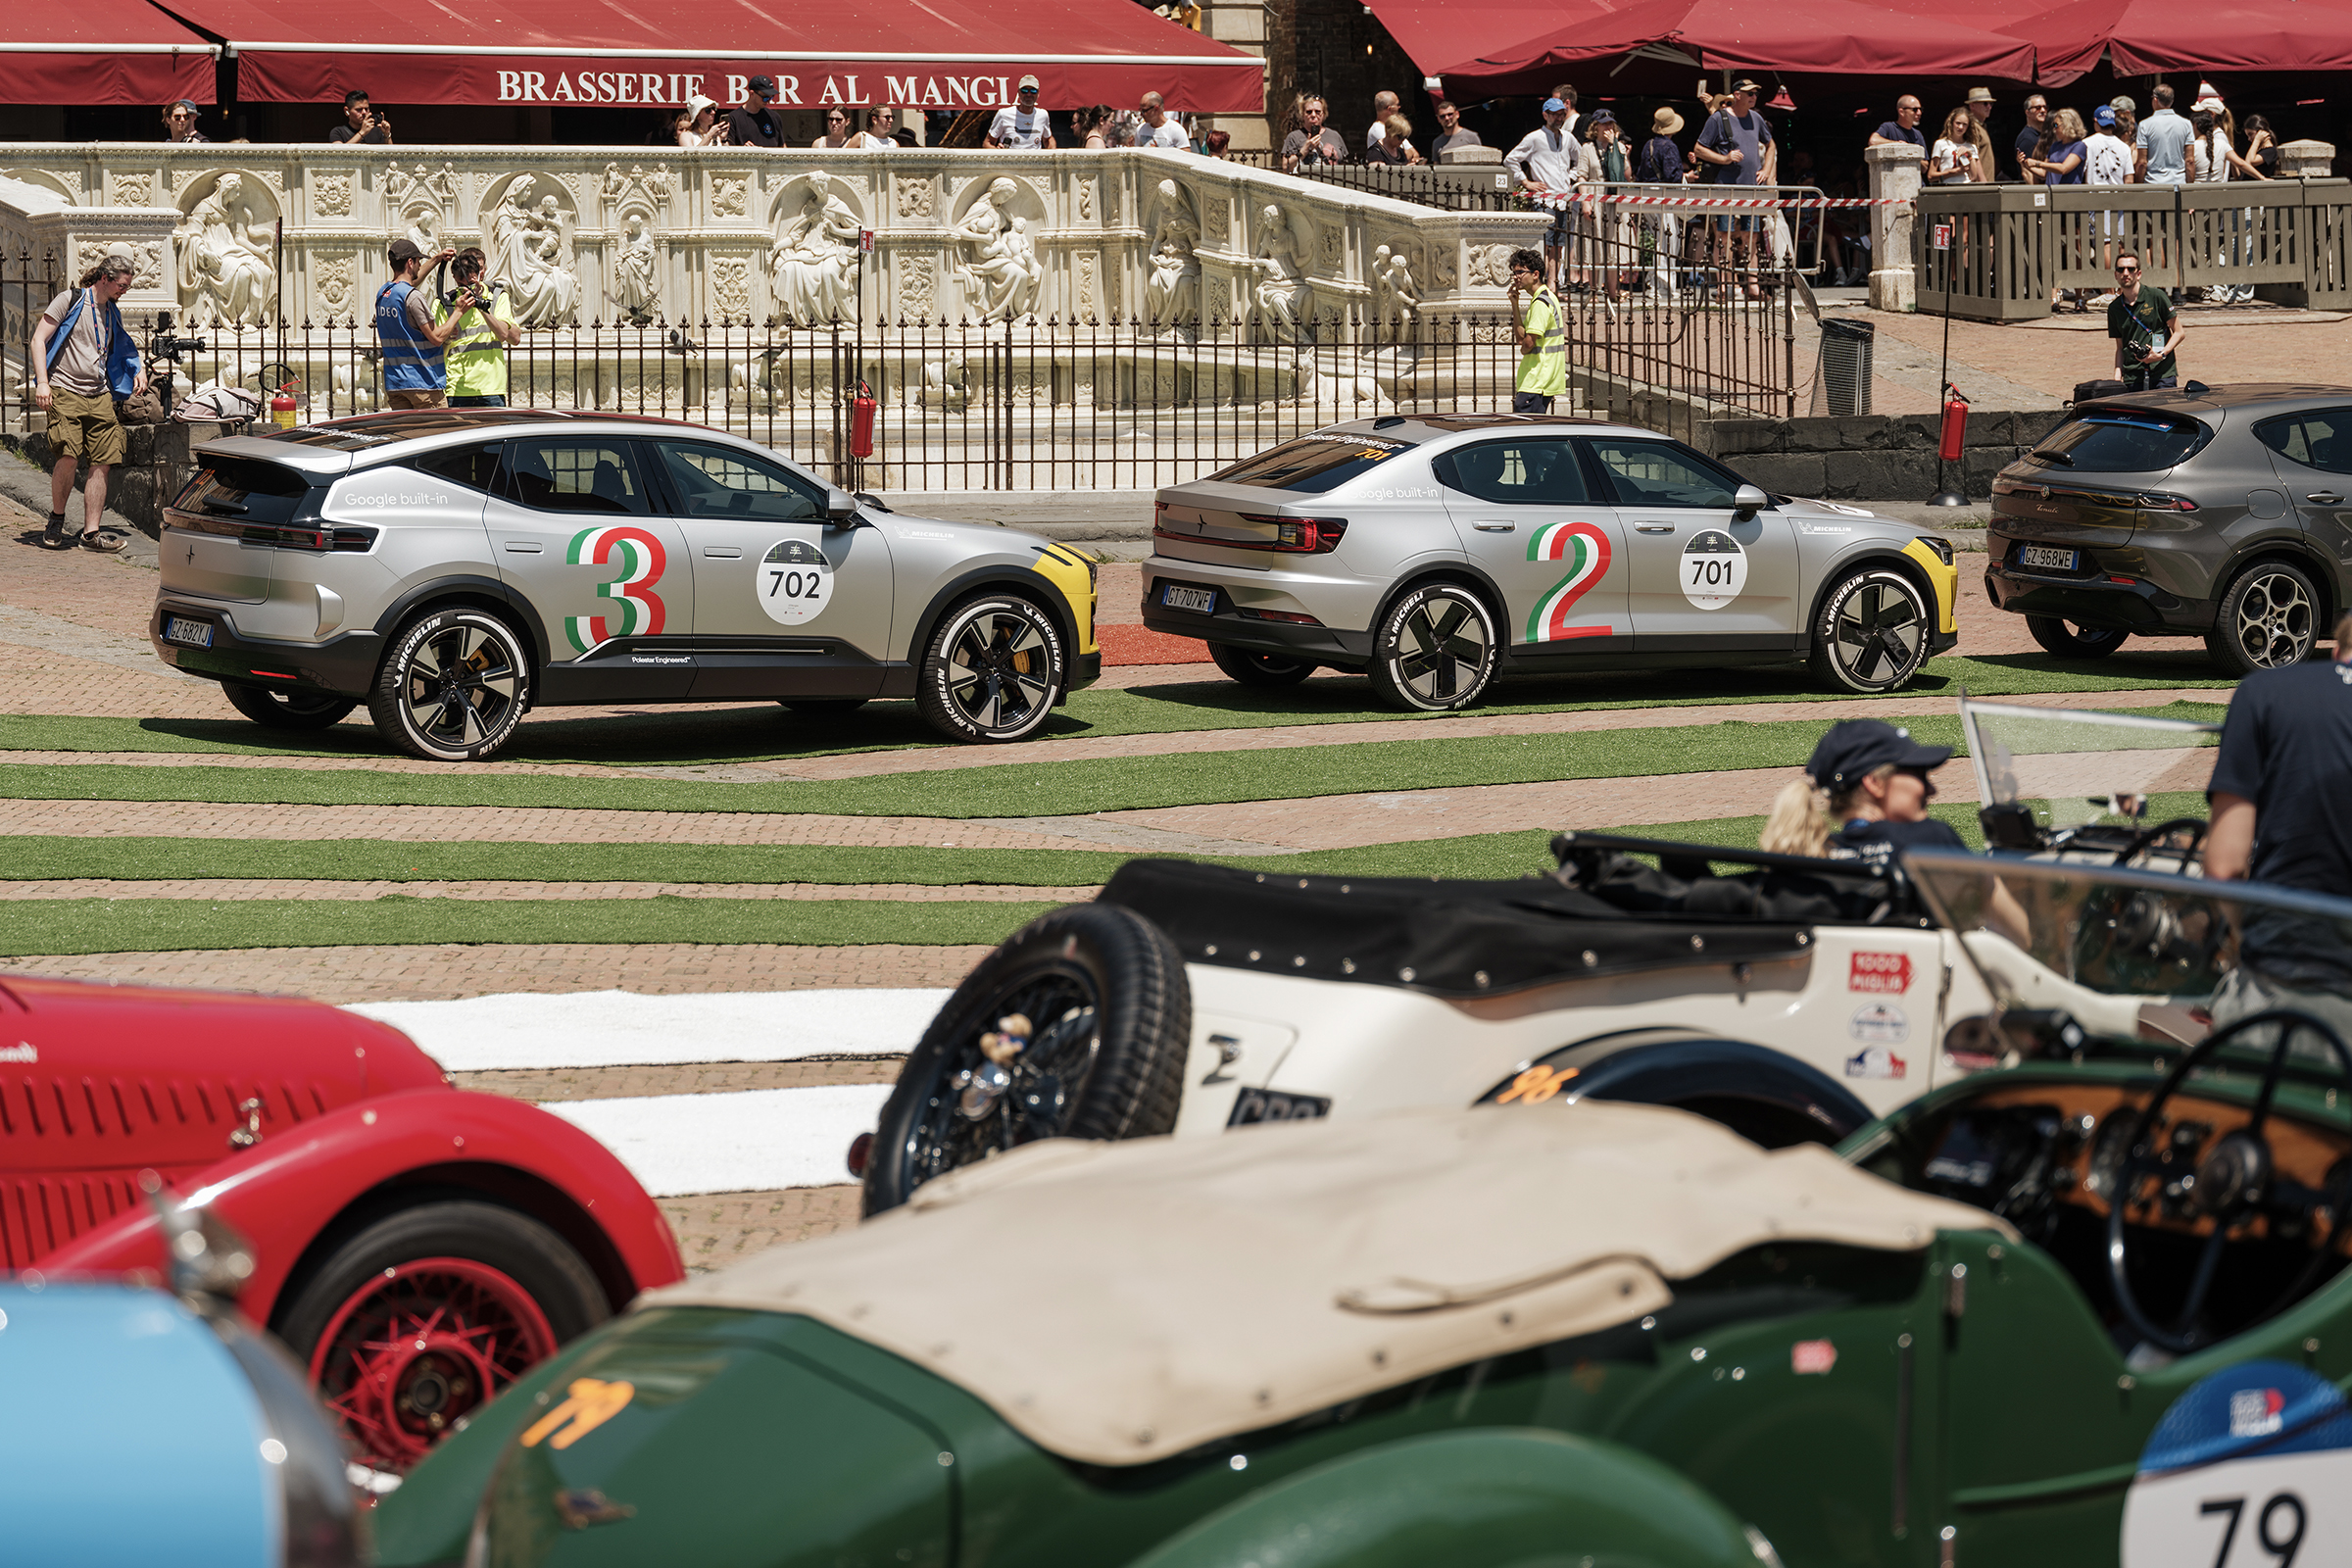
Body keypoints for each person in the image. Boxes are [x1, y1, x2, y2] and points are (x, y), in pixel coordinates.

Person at [2203, 609, 2352, 1041]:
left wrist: (2239, 939)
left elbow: (2224, 867)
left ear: (2337, 652)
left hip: (2284, 994)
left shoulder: (2265, 692)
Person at [28, 253, 145, 553]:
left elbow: (122, 345)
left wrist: (138, 368)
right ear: (104, 279)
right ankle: (56, 519)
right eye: (121, 285)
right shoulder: (71, 299)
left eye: (127, 287)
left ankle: (90, 533)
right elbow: (38, 339)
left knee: (102, 462)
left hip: (99, 394)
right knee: (68, 456)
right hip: (65, 390)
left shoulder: (111, 311)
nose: (124, 291)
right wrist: (42, 382)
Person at [1762, 720, 1969, 863]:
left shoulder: (1810, 861)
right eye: (1920, 774)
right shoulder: (1931, 840)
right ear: (1875, 783)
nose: (1932, 790)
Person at [1692, 78, 1775, 301]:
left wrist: (1766, 169)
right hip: (1725, 188)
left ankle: (1753, 287)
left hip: (1751, 189)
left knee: (1752, 237)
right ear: (1737, 95)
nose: (1754, 96)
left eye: (1756, 93)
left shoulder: (1756, 118)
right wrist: (1724, 158)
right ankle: (1724, 286)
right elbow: (1699, 149)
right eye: (1749, 93)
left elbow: (1771, 144)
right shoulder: (1718, 118)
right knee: (1723, 237)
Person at [375, 237, 467, 410]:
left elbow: (409, 284)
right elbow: (436, 337)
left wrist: (436, 259)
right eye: (418, 261)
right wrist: (458, 311)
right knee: (436, 435)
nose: (419, 265)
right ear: (410, 262)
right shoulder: (414, 297)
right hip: (423, 384)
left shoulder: (384, 293)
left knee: (408, 435)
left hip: (396, 384)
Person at [1504, 97, 1581, 290]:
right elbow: (1511, 159)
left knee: (1558, 247)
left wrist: (1569, 177)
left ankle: (1552, 285)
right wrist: (1526, 182)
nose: (1559, 118)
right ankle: (1542, 285)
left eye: (1561, 114)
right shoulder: (1534, 138)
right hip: (1545, 200)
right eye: (1555, 114)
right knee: (1545, 246)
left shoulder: (1568, 138)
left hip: (1562, 199)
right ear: (1545, 115)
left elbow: (1580, 160)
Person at [433, 247, 521, 408]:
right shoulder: (444, 302)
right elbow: (435, 346)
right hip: (456, 388)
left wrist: (481, 304)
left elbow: (503, 334)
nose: (466, 287)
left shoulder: (496, 297)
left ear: (479, 274)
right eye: (461, 283)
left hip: (490, 387)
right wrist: (454, 319)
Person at [2108, 248, 2182, 390]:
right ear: (2115, 275)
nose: (2125, 273)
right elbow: (2120, 346)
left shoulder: (2156, 296)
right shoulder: (2114, 308)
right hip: (2132, 375)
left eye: (2130, 269)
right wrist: (2117, 375)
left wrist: (2161, 354)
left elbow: (2179, 333)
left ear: (2139, 273)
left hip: (2162, 373)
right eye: (2121, 269)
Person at [1505, 249, 1565, 414]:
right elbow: (1520, 338)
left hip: (1536, 379)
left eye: (1520, 272)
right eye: (1514, 273)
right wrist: (1514, 304)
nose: (1516, 277)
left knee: (1525, 434)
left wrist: (1525, 347)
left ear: (1535, 274)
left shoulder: (1540, 303)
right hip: (1537, 380)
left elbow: (1527, 344)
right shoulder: (1545, 298)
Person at [1637, 108, 1688, 296]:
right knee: (1669, 238)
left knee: (1658, 237)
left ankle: (1655, 282)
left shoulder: (1648, 144)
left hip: (1647, 196)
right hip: (1664, 197)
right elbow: (1672, 176)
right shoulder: (1669, 147)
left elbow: (1641, 174)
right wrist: (1686, 175)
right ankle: (1663, 284)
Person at [2135, 82, 2189, 186]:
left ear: (2155, 100)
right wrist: (2189, 186)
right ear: (2172, 101)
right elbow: (2190, 160)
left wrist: (2139, 185)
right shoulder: (2186, 124)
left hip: (2153, 183)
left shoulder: (2144, 125)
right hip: (2178, 183)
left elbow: (2142, 162)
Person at [1281, 94, 1347, 172]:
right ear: (1302, 115)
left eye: (1317, 112)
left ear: (1324, 114)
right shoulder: (1294, 137)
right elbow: (1285, 167)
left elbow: (1344, 163)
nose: (1313, 115)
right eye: (1309, 112)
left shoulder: (1334, 135)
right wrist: (1306, 149)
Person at [988, 76, 1055, 149]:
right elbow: (988, 142)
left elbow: (1048, 139)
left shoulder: (1043, 115)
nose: (1029, 94)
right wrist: (998, 152)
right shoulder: (1004, 114)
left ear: (1038, 93)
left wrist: (1053, 154)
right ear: (1019, 93)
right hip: (1010, 160)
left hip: (1035, 160)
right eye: (1024, 90)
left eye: (1033, 91)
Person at [1929, 107, 1983, 185]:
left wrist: (1970, 156)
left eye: (1964, 124)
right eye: (1958, 123)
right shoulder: (1941, 144)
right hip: (1948, 189)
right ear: (1951, 123)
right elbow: (1931, 176)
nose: (1960, 127)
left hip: (1966, 189)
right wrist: (1952, 172)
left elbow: (1974, 177)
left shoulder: (1971, 147)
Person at [726, 77, 785, 148]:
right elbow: (729, 149)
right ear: (752, 94)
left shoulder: (774, 117)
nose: (768, 101)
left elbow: (782, 145)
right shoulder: (734, 118)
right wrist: (743, 150)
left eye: (771, 98)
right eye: (765, 98)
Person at [329, 90, 393, 144]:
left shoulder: (377, 131)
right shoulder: (338, 132)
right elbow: (339, 153)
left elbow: (392, 156)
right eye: (359, 110)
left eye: (366, 109)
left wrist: (387, 135)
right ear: (347, 111)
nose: (364, 112)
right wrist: (362, 133)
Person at [2013, 93, 2050, 182]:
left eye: (2045, 107)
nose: (2043, 110)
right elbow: (2027, 173)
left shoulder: (2044, 135)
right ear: (2027, 112)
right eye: (2038, 108)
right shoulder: (2027, 139)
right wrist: (2036, 195)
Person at [1365, 89, 1400, 153]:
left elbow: (1414, 153)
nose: (1399, 107)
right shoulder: (1378, 130)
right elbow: (1400, 153)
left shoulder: (1395, 129)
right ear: (1389, 109)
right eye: (1397, 105)